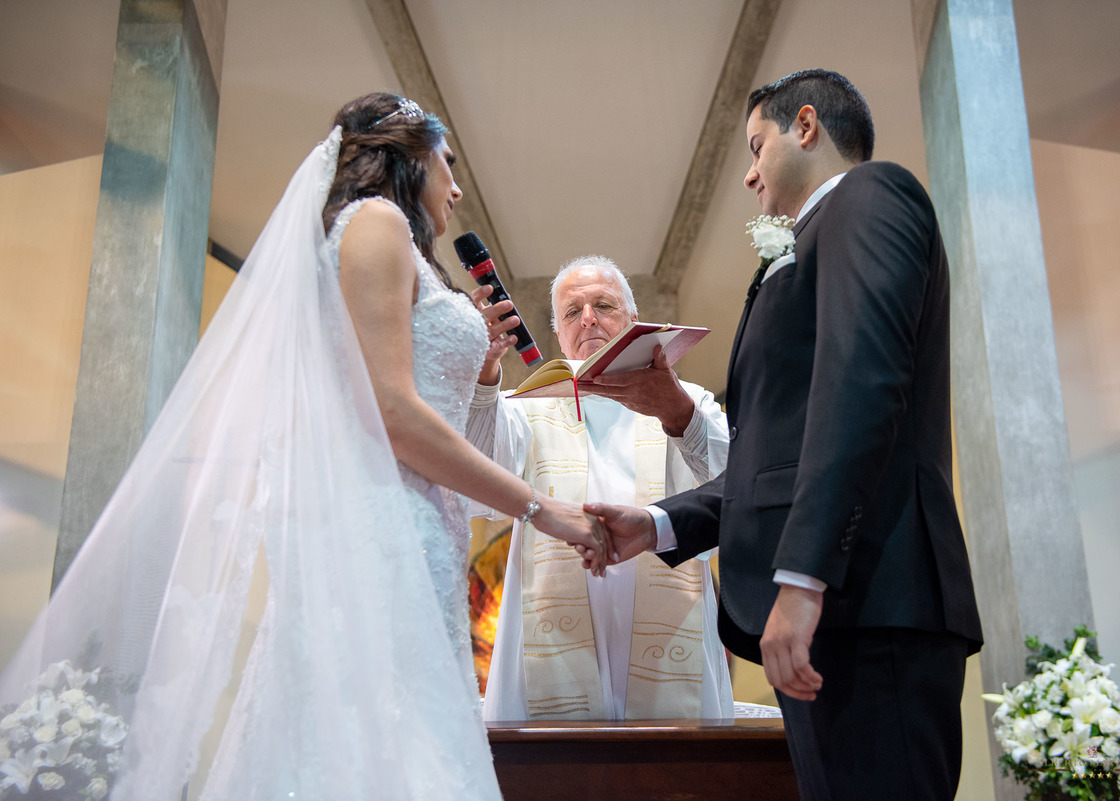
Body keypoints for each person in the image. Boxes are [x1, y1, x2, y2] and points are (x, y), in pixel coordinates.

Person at [0, 92, 605, 801]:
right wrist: (542, 509)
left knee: (391, 729)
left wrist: (477, 368)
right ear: (408, 158)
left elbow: (409, 397)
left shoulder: (387, 241)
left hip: (419, 524)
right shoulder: (375, 223)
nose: (457, 185)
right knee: (380, 734)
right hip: (383, 520)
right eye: (448, 163)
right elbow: (390, 412)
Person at [583, 69, 984, 800]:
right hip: (838, 607)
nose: (747, 172)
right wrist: (661, 523)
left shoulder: (871, 195)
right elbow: (780, 451)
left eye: (755, 145)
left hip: (866, 598)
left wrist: (802, 580)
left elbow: (861, 385)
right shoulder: (807, 242)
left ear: (806, 127)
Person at [466, 256, 734, 721]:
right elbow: (480, 472)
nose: (588, 318)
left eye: (603, 305)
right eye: (572, 312)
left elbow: (731, 487)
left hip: (668, 625)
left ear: (633, 321)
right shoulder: (523, 407)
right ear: (558, 334)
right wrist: (487, 376)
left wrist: (680, 415)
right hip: (554, 633)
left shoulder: (686, 396)